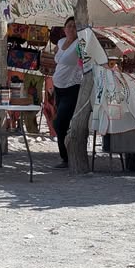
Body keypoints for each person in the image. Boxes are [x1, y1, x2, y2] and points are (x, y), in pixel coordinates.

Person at [52, 16, 83, 169]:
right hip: (58, 87)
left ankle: (68, 155)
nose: (71, 29)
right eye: (68, 26)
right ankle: (65, 157)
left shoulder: (79, 44)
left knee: (60, 122)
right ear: (64, 28)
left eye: (74, 26)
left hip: (72, 86)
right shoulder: (60, 42)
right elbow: (58, 59)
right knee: (60, 124)